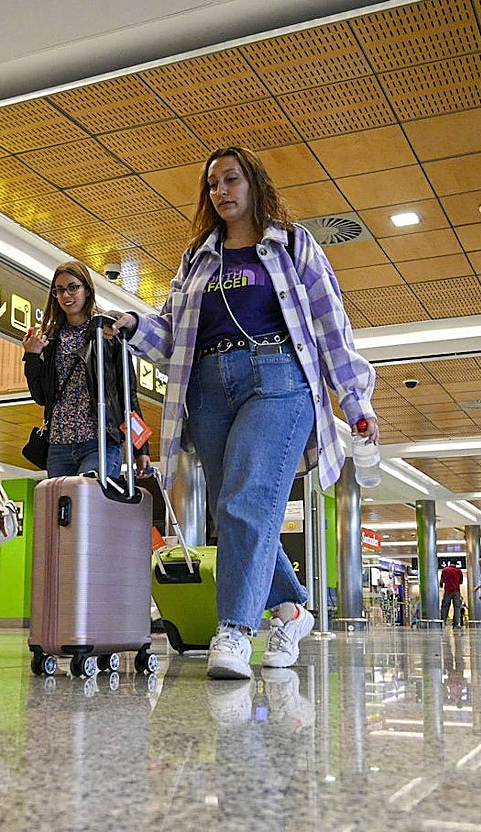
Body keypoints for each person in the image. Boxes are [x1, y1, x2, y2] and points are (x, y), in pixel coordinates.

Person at [106, 146, 378, 680]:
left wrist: (355, 400)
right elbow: (172, 337)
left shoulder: (293, 245)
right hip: (207, 388)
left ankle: (233, 627)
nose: (221, 192)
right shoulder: (198, 259)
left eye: (231, 180)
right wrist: (135, 326)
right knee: (234, 508)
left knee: (245, 498)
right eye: (212, 185)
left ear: (253, 184)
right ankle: (292, 609)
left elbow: (330, 325)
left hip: (277, 379)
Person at [22, 259, 152, 479]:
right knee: (61, 511)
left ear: (87, 290)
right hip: (59, 445)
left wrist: (141, 448)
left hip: (99, 440)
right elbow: (41, 397)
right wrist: (32, 356)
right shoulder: (51, 339)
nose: (66, 295)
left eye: (73, 287)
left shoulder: (108, 334)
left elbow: (127, 395)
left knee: (90, 505)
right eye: (60, 290)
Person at [439, 561, 464, 629]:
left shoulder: (445, 570)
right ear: (455, 564)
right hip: (456, 591)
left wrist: (442, 585)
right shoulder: (459, 571)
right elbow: (461, 582)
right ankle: (455, 624)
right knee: (457, 607)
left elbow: (442, 581)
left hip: (447, 590)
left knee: (445, 607)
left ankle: (443, 622)